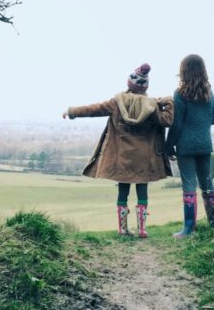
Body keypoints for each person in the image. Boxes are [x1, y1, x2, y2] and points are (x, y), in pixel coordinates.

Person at [63, 63, 174, 237]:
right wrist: (166, 100)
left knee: (123, 188)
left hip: (122, 156)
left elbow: (94, 109)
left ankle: (122, 228)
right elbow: (167, 120)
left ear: (129, 83)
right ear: (145, 87)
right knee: (142, 188)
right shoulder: (152, 106)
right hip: (144, 158)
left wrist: (72, 112)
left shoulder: (116, 102)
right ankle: (142, 229)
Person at [165, 54, 214, 235]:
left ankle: (189, 229)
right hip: (205, 144)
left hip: (186, 147)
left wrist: (168, 145)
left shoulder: (180, 94)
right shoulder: (209, 93)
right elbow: (213, 118)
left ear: (184, 71)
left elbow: (177, 124)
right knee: (207, 184)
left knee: (189, 185)